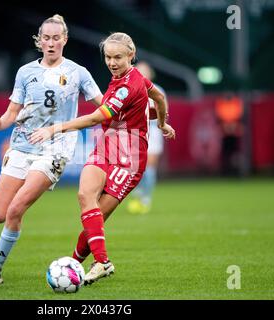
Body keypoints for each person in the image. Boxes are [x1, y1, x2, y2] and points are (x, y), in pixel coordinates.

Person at [30, 32, 175, 285]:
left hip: (129, 156)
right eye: (108, 57)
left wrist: (55, 128)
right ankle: (96, 263)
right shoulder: (129, 78)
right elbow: (159, 99)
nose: (112, 62)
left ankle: (89, 261)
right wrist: (162, 123)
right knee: (86, 197)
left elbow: (97, 118)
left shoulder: (129, 85)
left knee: (97, 216)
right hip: (108, 144)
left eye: (118, 57)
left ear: (131, 55)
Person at [0, 14, 103, 286]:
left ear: (65, 40)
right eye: (45, 38)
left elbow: (104, 105)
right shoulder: (25, 72)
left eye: (56, 38)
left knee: (15, 209)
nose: (51, 43)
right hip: (22, 145)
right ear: (39, 40)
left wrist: (132, 113)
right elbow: (12, 113)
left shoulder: (78, 72)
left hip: (55, 149)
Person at [127, 61, 168, 214]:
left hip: (153, 133)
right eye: (140, 71)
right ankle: (137, 195)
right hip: (135, 134)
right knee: (135, 168)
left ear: (150, 74)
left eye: (145, 71)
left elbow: (164, 113)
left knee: (149, 169)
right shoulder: (130, 89)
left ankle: (146, 199)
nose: (143, 74)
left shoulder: (158, 90)